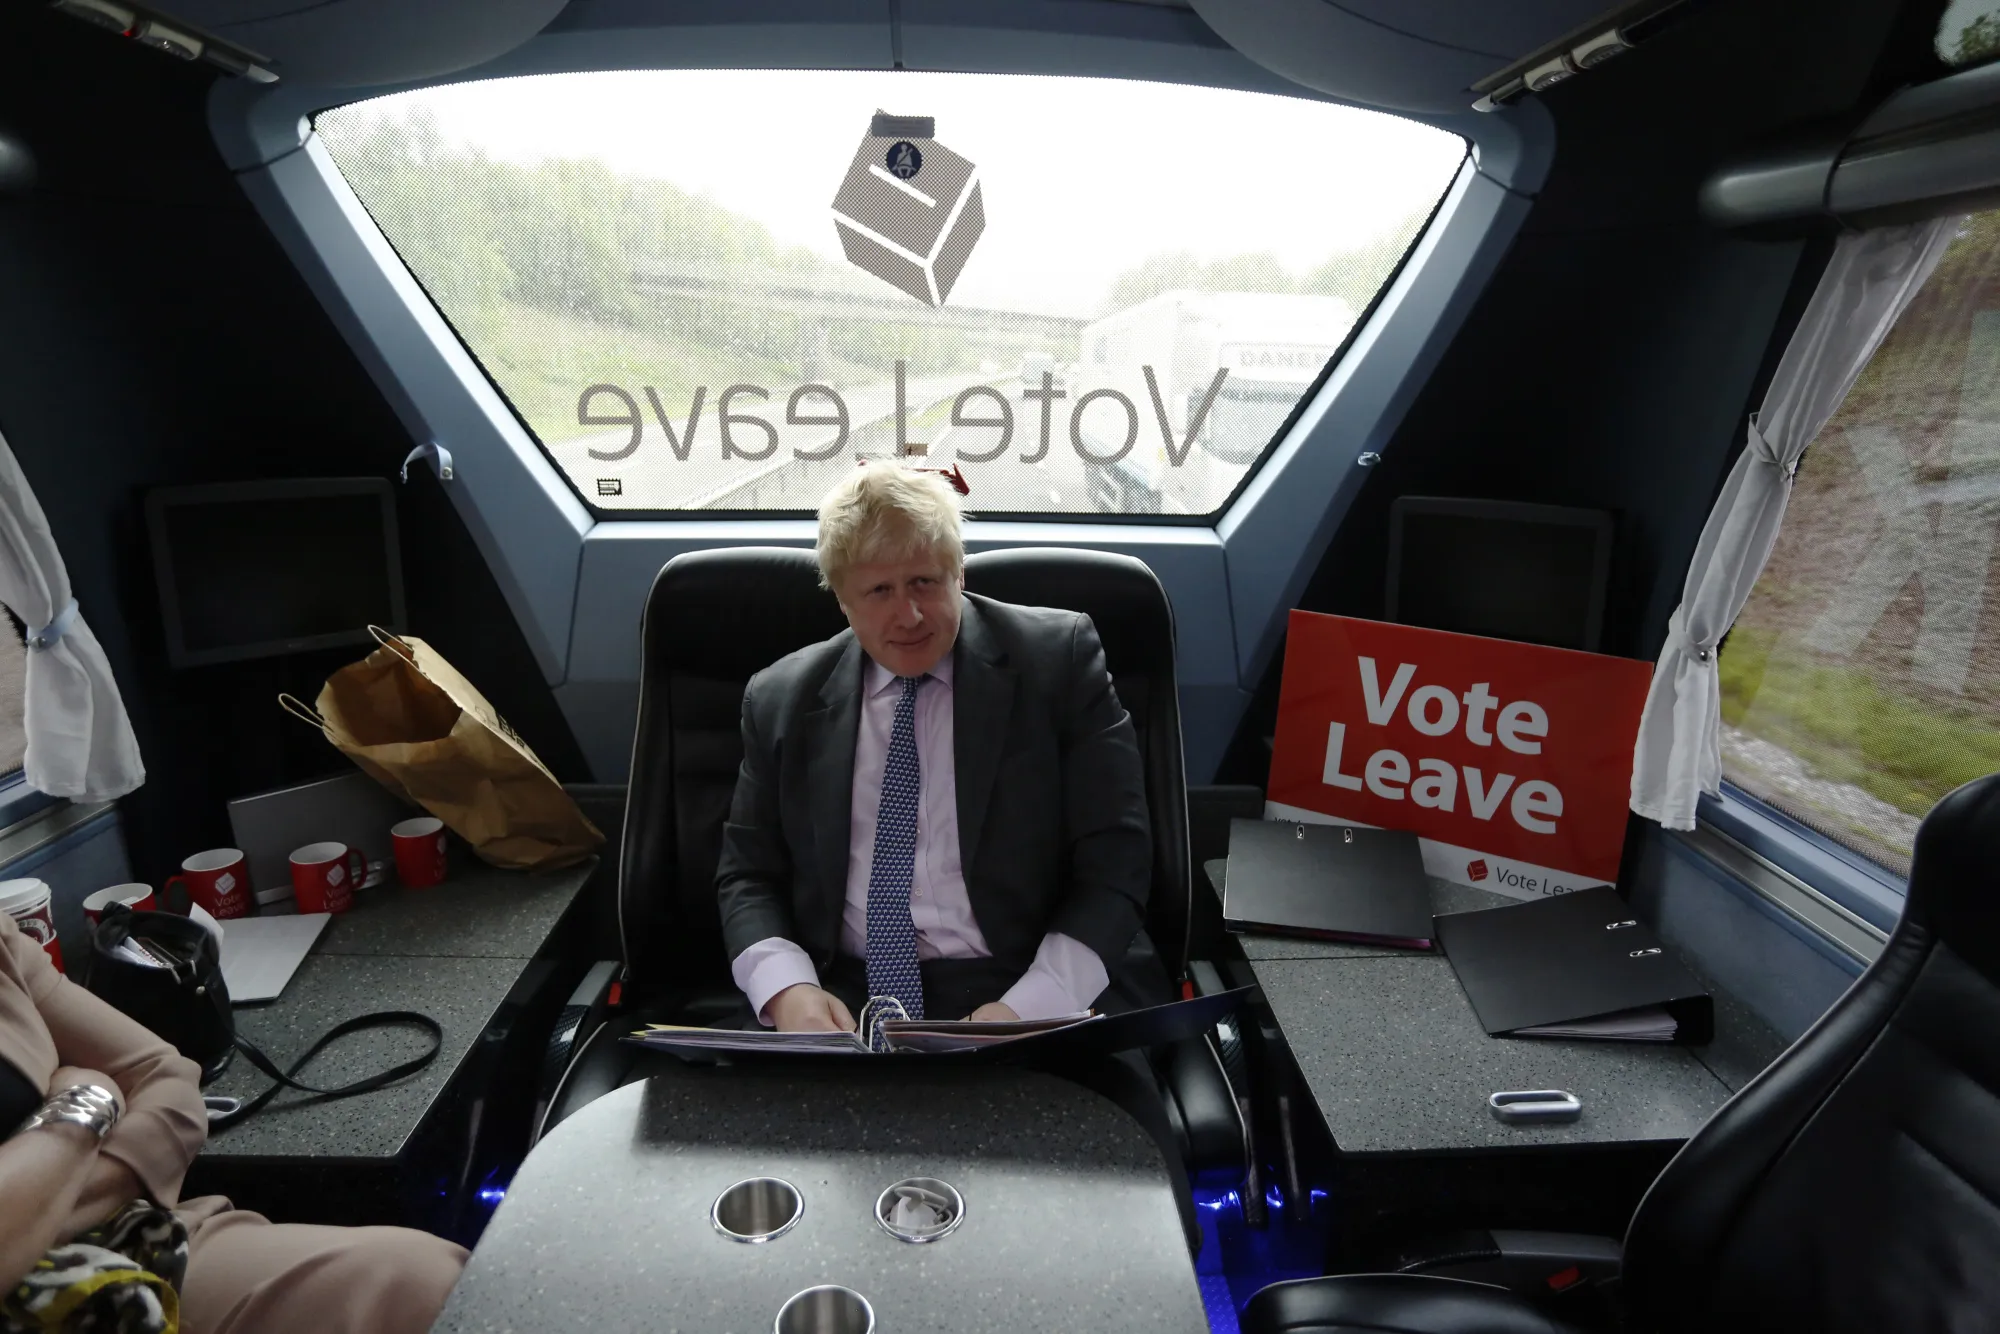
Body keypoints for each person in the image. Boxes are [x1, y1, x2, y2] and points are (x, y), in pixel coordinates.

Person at [717, 460, 1170, 1031]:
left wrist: (1028, 1009)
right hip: (841, 990)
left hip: (1024, 978)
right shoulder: (780, 699)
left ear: (959, 573)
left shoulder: (1058, 662)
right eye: (879, 591)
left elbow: (1117, 860)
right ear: (843, 601)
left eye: (924, 583)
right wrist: (787, 989)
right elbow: (747, 874)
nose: (907, 615)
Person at [0, 911, 465, 1334]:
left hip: (123, 1240)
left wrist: (35, 1215)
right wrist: (84, 1102)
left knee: (423, 1282)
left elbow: (164, 1076)